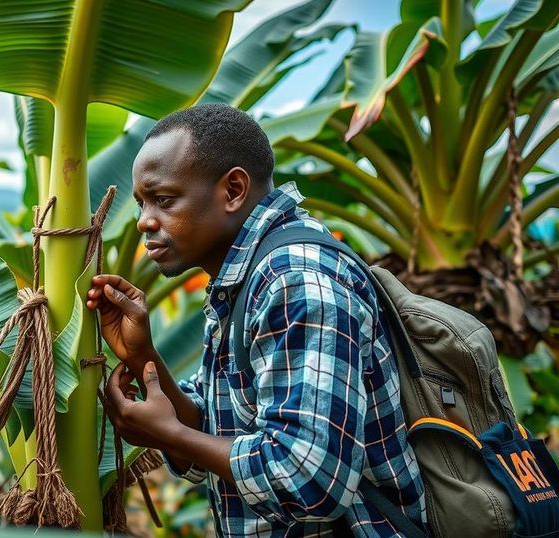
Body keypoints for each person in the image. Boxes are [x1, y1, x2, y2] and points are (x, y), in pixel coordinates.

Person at [85, 103, 426, 537]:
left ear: (232, 190)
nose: (144, 221)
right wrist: (141, 355)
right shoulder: (248, 278)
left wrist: (172, 436)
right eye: (141, 202)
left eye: (163, 200)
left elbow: (309, 479)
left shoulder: (295, 280)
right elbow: (225, 426)